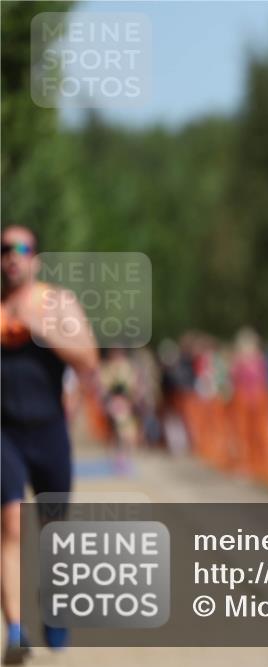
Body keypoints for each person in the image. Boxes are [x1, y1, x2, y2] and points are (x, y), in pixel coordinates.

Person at [0, 225, 98, 663]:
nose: (12, 256)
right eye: (4, 249)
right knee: (10, 525)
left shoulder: (56, 303)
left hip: (49, 431)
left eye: (21, 248)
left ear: (35, 257)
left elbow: (89, 358)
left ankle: (56, 613)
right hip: (5, 433)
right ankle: (16, 631)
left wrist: (44, 331)